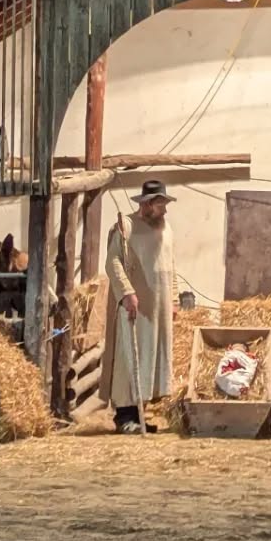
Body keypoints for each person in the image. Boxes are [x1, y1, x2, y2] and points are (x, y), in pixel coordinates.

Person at [99, 180, 177, 435]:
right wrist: (127, 292)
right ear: (146, 204)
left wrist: (173, 299)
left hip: (158, 307)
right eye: (159, 204)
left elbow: (170, 266)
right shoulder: (126, 227)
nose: (164, 210)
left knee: (149, 357)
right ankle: (124, 416)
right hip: (134, 306)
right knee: (129, 356)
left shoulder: (165, 228)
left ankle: (140, 414)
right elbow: (113, 263)